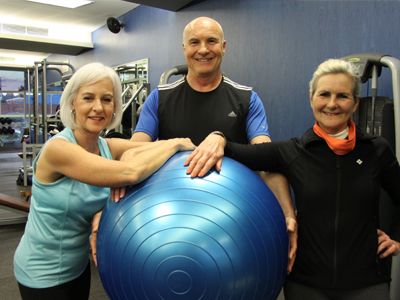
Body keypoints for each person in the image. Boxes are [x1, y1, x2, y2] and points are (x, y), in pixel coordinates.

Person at [187, 58, 400, 300]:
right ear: (311, 99)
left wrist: (397, 239)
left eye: (342, 96)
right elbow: (239, 151)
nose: (332, 104)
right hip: (307, 283)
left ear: (355, 103)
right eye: (324, 95)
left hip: (366, 282)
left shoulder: (376, 150)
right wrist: (218, 137)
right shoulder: (293, 152)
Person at [13, 62, 195, 300]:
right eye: (88, 98)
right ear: (72, 103)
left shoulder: (106, 146)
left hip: (78, 268)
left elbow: (151, 149)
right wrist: (175, 142)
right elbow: (129, 172)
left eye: (107, 100)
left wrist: (197, 142)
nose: (98, 108)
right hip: (41, 274)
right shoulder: (58, 149)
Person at [130, 16, 297, 272]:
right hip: (167, 221)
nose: (203, 49)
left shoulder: (247, 99)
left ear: (224, 46)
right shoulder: (159, 98)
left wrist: (288, 214)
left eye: (212, 41)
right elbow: (133, 152)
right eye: (194, 42)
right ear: (184, 48)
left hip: (230, 225)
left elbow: (268, 160)